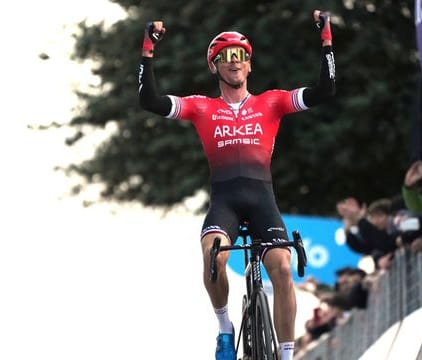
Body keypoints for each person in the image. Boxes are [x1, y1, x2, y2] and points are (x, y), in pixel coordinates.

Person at [138, 10, 335, 360]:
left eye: (241, 56)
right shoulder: (201, 107)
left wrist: (326, 38)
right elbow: (150, 101)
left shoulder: (271, 102)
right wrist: (148, 51)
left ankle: (287, 355)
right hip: (225, 201)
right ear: (214, 66)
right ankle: (225, 328)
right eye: (226, 56)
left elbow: (324, 91)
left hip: (262, 199)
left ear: (249, 66)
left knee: (284, 268)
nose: (234, 62)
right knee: (213, 256)